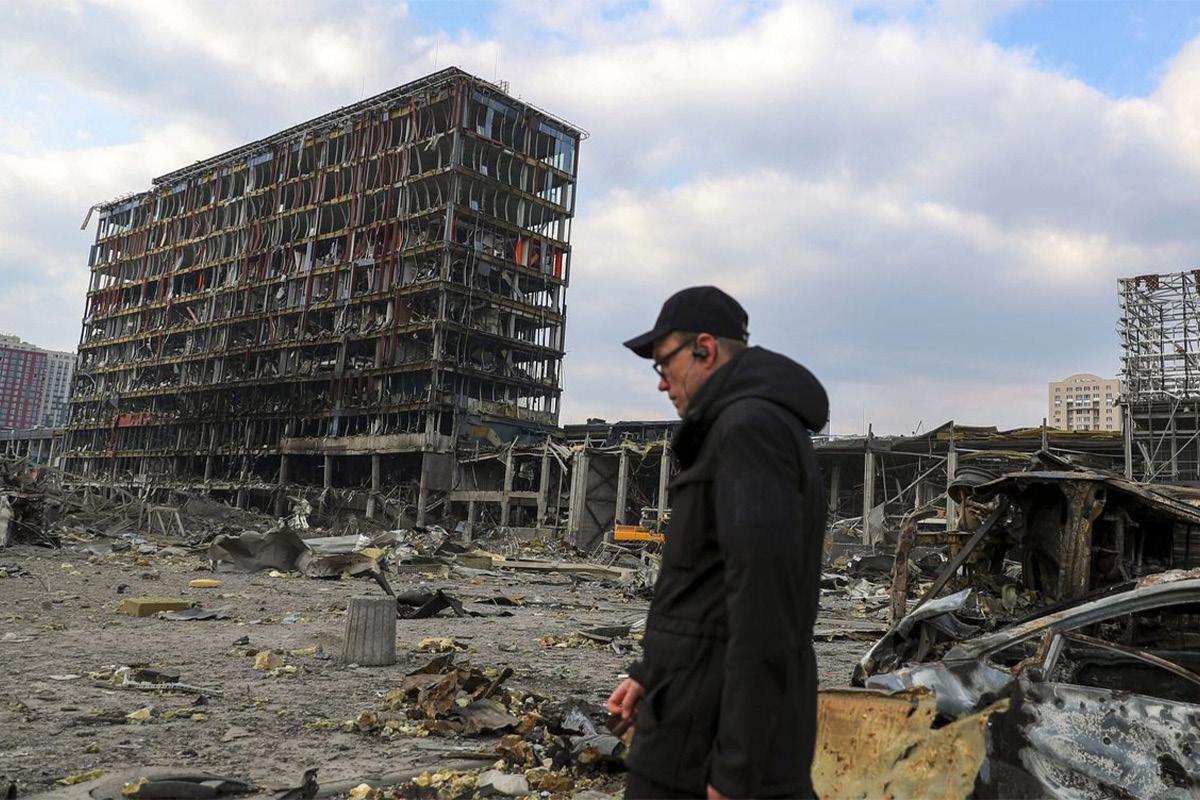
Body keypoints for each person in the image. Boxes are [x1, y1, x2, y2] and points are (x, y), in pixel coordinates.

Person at [608, 286, 828, 800]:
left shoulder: (750, 431)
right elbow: (704, 589)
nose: (661, 382)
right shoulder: (734, 429)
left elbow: (763, 606)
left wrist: (736, 769)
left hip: (702, 747)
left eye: (665, 363)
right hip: (689, 717)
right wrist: (652, 673)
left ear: (704, 348)